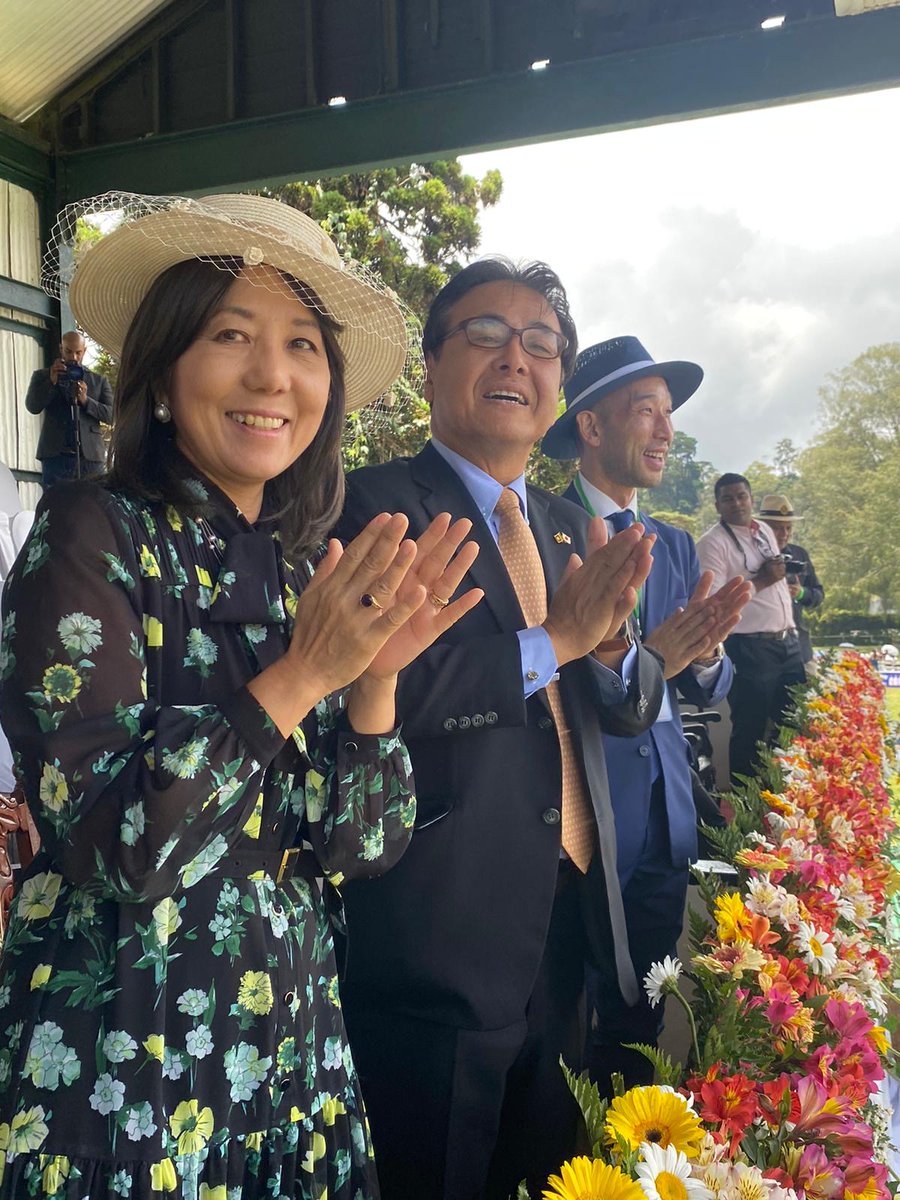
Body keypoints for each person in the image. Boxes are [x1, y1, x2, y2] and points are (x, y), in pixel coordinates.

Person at [0, 192, 484, 1200]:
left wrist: (376, 679)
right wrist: (304, 673)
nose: (274, 376)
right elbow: (113, 841)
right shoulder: (92, 534)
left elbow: (363, 847)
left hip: (293, 1068)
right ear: (167, 375)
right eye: (232, 335)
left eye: (303, 345)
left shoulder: (304, 563)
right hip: (126, 1082)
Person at [334, 259, 666, 1200]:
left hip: (569, 926)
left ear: (558, 384)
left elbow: (618, 702)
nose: (515, 358)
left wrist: (607, 656)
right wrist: (558, 636)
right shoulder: (372, 506)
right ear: (432, 365)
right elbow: (391, 683)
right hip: (440, 931)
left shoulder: (569, 525)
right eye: (484, 335)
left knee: (547, 1177)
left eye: (541, 344)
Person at [541, 336, 750, 1092]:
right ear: (590, 427)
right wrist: (653, 657)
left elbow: (702, 685)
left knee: (644, 1017)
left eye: (669, 414)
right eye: (646, 412)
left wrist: (708, 654)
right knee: (562, 1028)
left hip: (665, 816)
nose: (666, 431)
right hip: (584, 824)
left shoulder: (674, 542)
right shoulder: (543, 529)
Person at [696, 474, 806, 783]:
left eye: (742, 496)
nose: (737, 503)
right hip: (750, 649)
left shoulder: (765, 531)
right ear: (717, 504)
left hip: (788, 644)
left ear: (751, 499)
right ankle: (745, 812)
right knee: (751, 731)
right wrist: (761, 581)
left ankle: (792, 799)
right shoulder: (713, 543)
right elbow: (714, 603)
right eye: (728, 499)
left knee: (793, 725)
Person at [24, 330, 114, 487]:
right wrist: (51, 382)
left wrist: (86, 401)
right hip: (55, 456)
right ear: (61, 349)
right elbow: (32, 406)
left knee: (92, 507)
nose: (73, 357)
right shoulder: (42, 376)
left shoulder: (98, 381)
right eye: (68, 351)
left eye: (78, 352)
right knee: (55, 506)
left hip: (90, 458)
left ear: (85, 351)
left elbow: (113, 415)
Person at [758, 493, 824, 668]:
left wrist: (801, 593)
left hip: (800, 647)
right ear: (762, 528)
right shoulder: (751, 556)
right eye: (778, 528)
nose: (784, 534)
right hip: (761, 651)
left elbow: (818, 594)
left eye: (788, 528)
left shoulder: (799, 554)